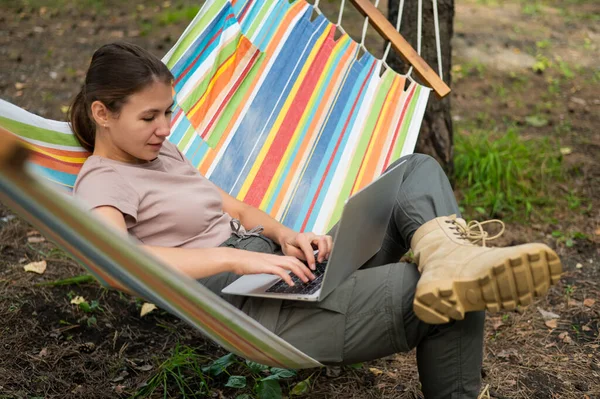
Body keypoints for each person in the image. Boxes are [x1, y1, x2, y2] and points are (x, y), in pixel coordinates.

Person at [71, 42, 562, 398]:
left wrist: (286, 235)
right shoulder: (103, 183)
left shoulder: (162, 153)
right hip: (255, 312)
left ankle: (449, 255)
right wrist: (235, 258)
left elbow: (236, 209)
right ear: (103, 113)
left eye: (169, 113)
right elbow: (120, 265)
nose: (164, 128)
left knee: (415, 170)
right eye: (150, 117)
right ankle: (452, 273)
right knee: (451, 294)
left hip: (279, 274)